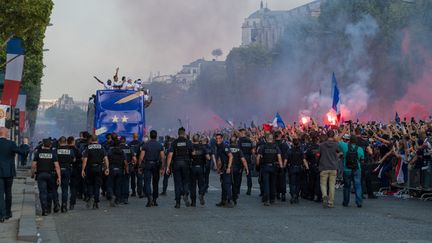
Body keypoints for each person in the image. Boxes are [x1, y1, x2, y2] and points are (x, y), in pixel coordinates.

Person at [31, 139, 61, 216]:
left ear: (43, 144)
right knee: (50, 192)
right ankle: (48, 207)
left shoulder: (38, 153)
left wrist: (32, 173)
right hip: (51, 175)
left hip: (40, 174)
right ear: (50, 145)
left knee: (42, 192)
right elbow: (57, 166)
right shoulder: (53, 153)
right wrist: (59, 177)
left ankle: (44, 210)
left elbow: (33, 165)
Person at [166, 127, 193, 208]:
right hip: (186, 163)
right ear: (184, 134)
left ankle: (178, 203)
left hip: (176, 163)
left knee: (177, 183)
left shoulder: (174, 142)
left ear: (178, 133)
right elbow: (193, 153)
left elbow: (170, 155)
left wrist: (167, 167)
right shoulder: (188, 142)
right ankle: (185, 193)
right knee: (186, 181)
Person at [0, 127, 23, 222]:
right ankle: (8, 213)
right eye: (8, 132)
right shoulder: (11, 144)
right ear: (5, 133)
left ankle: (1, 215)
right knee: (8, 193)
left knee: (0, 194)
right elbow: (22, 152)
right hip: (9, 172)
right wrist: (25, 145)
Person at [81, 135, 109, 209]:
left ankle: (91, 197)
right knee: (97, 185)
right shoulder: (101, 147)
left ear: (91, 140)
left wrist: (83, 169)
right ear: (97, 140)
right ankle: (96, 202)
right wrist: (107, 168)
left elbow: (85, 160)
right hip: (98, 168)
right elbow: (106, 159)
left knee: (90, 184)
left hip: (90, 168)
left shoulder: (88, 148)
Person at [138, 130, 165, 207]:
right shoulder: (159, 145)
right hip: (156, 165)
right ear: (156, 136)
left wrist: (140, 166)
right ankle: (155, 200)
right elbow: (163, 157)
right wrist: (162, 167)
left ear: (150, 136)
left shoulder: (146, 145)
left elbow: (141, 157)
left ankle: (149, 197)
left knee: (147, 182)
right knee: (155, 183)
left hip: (147, 165)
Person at [257, 134, 283, 206]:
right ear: (272, 139)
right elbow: (279, 157)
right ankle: (273, 199)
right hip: (274, 167)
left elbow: (258, 157)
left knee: (266, 183)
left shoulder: (262, 147)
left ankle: (267, 200)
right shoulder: (276, 147)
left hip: (265, 166)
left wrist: (257, 165)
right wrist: (281, 167)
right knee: (273, 183)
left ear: (266, 139)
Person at [339, 135, 364, 208]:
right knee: (358, 186)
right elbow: (362, 160)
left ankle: (346, 202)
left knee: (347, 186)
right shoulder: (360, 149)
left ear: (349, 140)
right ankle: (359, 202)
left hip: (347, 169)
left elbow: (337, 139)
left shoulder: (345, 146)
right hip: (357, 169)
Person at [319, 130, 341, 208]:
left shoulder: (321, 145)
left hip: (324, 166)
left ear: (327, 135)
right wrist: (336, 157)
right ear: (333, 135)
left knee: (323, 184)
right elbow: (340, 153)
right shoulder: (336, 145)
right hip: (333, 167)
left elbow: (318, 154)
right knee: (332, 185)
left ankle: (324, 195)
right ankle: (330, 202)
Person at [189, 134, 210, 207]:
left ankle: (193, 202)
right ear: (199, 140)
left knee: (193, 186)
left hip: (192, 168)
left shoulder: (190, 147)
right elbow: (208, 157)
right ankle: (201, 194)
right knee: (201, 184)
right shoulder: (203, 147)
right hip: (201, 168)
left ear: (193, 140)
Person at [214, 133, 234, 208]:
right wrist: (219, 169)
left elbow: (231, 156)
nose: (218, 140)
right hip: (223, 168)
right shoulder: (218, 147)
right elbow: (219, 160)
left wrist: (229, 167)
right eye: (217, 138)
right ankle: (223, 201)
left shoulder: (224, 146)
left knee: (227, 185)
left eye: (219, 138)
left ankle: (230, 201)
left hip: (227, 168)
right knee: (223, 185)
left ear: (222, 139)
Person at [56, 136, 75, 213]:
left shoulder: (56, 151)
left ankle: (56, 204)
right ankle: (64, 205)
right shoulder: (70, 151)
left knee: (54, 189)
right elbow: (73, 159)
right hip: (67, 170)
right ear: (66, 142)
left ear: (59, 142)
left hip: (57, 171)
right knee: (65, 189)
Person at [287, 138, 309, 204]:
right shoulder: (301, 150)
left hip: (292, 167)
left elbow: (286, 159)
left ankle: (293, 194)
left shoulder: (290, 150)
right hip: (299, 168)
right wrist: (307, 168)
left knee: (292, 183)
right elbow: (304, 160)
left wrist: (283, 166)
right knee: (298, 183)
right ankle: (296, 195)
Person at [107, 140, 128, 207]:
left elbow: (106, 159)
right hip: (120, 169)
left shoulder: (110, 151)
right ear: (119, 145)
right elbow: (125, 162)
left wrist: (106, 168)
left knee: (110, 184)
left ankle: (112, 195)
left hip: (112, 168)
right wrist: (126, 170)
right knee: (118, 185)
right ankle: (117, 200)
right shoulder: (122, 151)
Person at [229, 135, 249, 205]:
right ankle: (234, 198)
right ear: (236, 142)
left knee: (227, 184)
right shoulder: (238, 149)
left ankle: (228, 198)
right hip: (236, 169)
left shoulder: (227, 148)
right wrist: (246, 168)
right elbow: (243, 160)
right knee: (235, 184)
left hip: (228, 169)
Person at [305, 133, 322, 202]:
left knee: (311, 181)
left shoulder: (309, 148)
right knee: (318, 182)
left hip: (312, 165)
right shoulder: (320, 147)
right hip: (319, 165)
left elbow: (306, 157)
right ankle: (318, 196)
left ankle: (311, 195)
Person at [237, 129, 254, 195]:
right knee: (248, 174)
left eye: (240, 133)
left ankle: (237, 189)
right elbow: (252, 151)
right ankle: (249, 189)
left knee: (239, 175)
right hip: (248, 158)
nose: (239, 134)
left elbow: (238, 150)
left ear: (242, 133)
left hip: (241, 158)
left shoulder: (239, 140)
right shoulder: (249, 140)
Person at [274, 131, 289, 201]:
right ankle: (283, 194)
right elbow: (286, 155)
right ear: (280, 135)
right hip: (283, 163)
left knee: (275, 180)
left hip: (274, 164)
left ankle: (277, 194)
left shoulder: (273, 144)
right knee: (282, 180)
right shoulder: (284, 144)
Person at [120, 137, 135, 204]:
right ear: (125, 141)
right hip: (128, 166)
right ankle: (126, 198)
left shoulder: (118, 148)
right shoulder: (129, 148)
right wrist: (133, 164)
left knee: (119, 182)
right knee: (126, 182)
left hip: (119, 167)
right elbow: (134, 158)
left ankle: (120, 197)